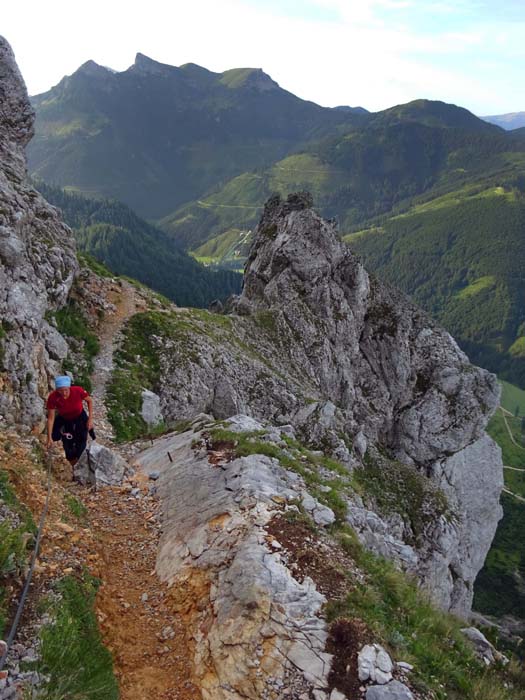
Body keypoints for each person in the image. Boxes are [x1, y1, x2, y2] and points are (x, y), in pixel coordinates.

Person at [46, 376, 94, 466]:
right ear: (57, 390)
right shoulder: (53, 397)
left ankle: (78, 462)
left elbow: (89, 401)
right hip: (65, 419)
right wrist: (49, 438)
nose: (64, 393)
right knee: (67, 443)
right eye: (60, 390)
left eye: (66, 390)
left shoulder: (77, 390)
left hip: (80, 417)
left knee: (81, 441)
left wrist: (90, 419)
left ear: (69, 387)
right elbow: (51, 418)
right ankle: (72, 463)